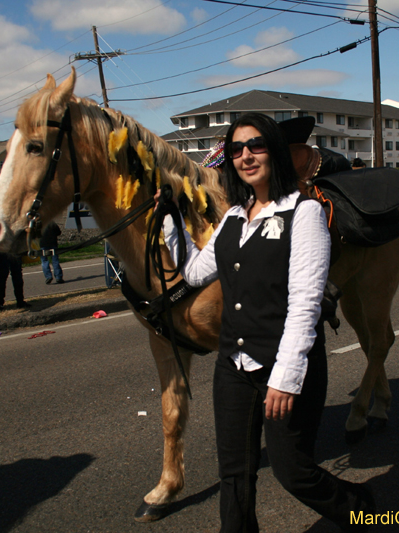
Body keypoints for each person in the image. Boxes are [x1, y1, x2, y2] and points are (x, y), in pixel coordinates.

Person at [161, 113, 374, 532]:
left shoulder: (304, 212)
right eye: (236, 149)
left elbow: (306, 302)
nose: (246, 155)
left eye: (255, 145)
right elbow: (195, 273)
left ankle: (364, 509)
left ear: (274, 151)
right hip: (233, 366)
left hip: (284, 367)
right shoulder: (234, 217)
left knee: (294, 472)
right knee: (234, 475)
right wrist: (171, 219)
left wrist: (286, 377)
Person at [0, 175, 31, 311]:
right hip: (11, 240)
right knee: (15, 272)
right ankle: (19, 300)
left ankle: (0, 302)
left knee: (2, 272)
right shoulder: (8, 201)